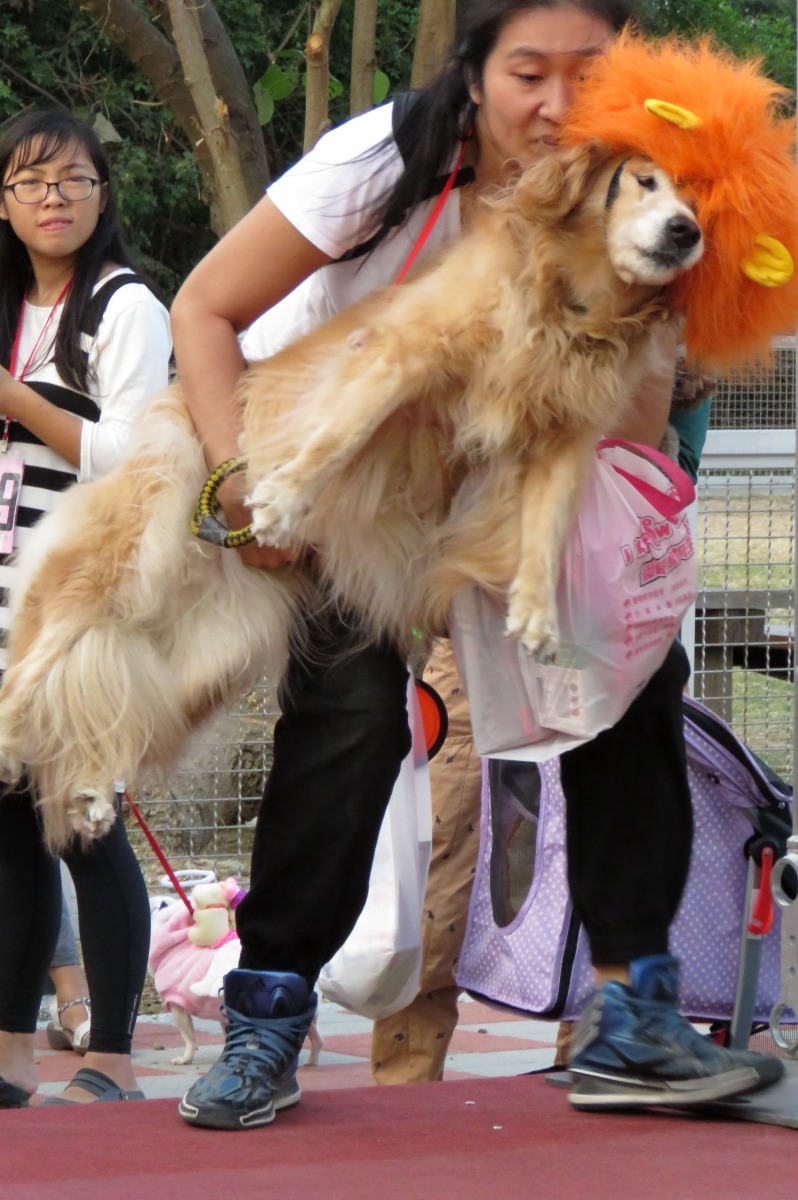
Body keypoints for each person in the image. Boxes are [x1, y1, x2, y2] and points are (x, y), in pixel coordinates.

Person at [171, 0, 783, 1130]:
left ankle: (634, 1020)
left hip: (521, 478)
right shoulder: (386, 157)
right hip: (359, 468)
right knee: (349, 714)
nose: (555, 104)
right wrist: (238, 483)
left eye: (587, 74)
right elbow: (205, 306)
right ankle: (267, 1015)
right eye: (527, 73)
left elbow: (625, 430)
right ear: (476, 76)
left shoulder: (656, 195)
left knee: (632, 686)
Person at [0, 107, 172, 1107]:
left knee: (83, 820)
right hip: (4, 603)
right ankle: (11, 1055)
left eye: (72, 179)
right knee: (9, 825)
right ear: (3, 204)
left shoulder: (125, 307)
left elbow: (138, 459)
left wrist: (18, 402)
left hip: (84, 604)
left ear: (103, 194)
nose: (53, 198)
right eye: (29, 182)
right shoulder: (7, 305)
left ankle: (112, 1055)